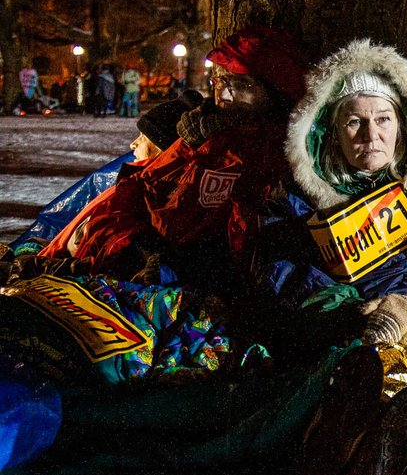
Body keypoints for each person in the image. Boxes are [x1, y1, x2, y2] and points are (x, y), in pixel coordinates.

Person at [246, 39, 407, 367]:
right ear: (332, 131)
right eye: (355, 122)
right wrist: (360, 317)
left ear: (402, 124)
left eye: (383, 119)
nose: (371, 135)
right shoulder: (295, 201)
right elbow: (286, 279)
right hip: (338, 347)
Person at [60, 27, 306, 293]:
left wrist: (174, 265)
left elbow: (246, 241)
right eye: (220, 82)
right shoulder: (198, 133)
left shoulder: (278, 154)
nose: (225, 95)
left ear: (273, 90)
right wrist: (138, 247)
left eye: (241, 85)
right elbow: (134, 192)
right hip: (138, 263)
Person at [9, 91, 204, 257]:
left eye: (143, 137)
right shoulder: (138, 182)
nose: (133, 144)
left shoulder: (144, 192)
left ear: (163, 148)